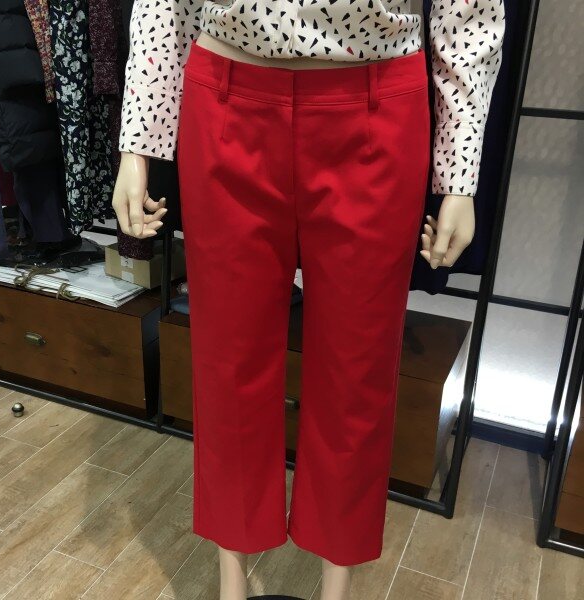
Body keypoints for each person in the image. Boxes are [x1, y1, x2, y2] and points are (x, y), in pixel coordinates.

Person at [112, 2, 505, 598]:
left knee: (357, 371)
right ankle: (231, 581)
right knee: (228, 360)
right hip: (226, 92)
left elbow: (468, 13)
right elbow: (162, 5)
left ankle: (336, 586)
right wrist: (136, 145)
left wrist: (459, 175)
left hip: (376, 99)